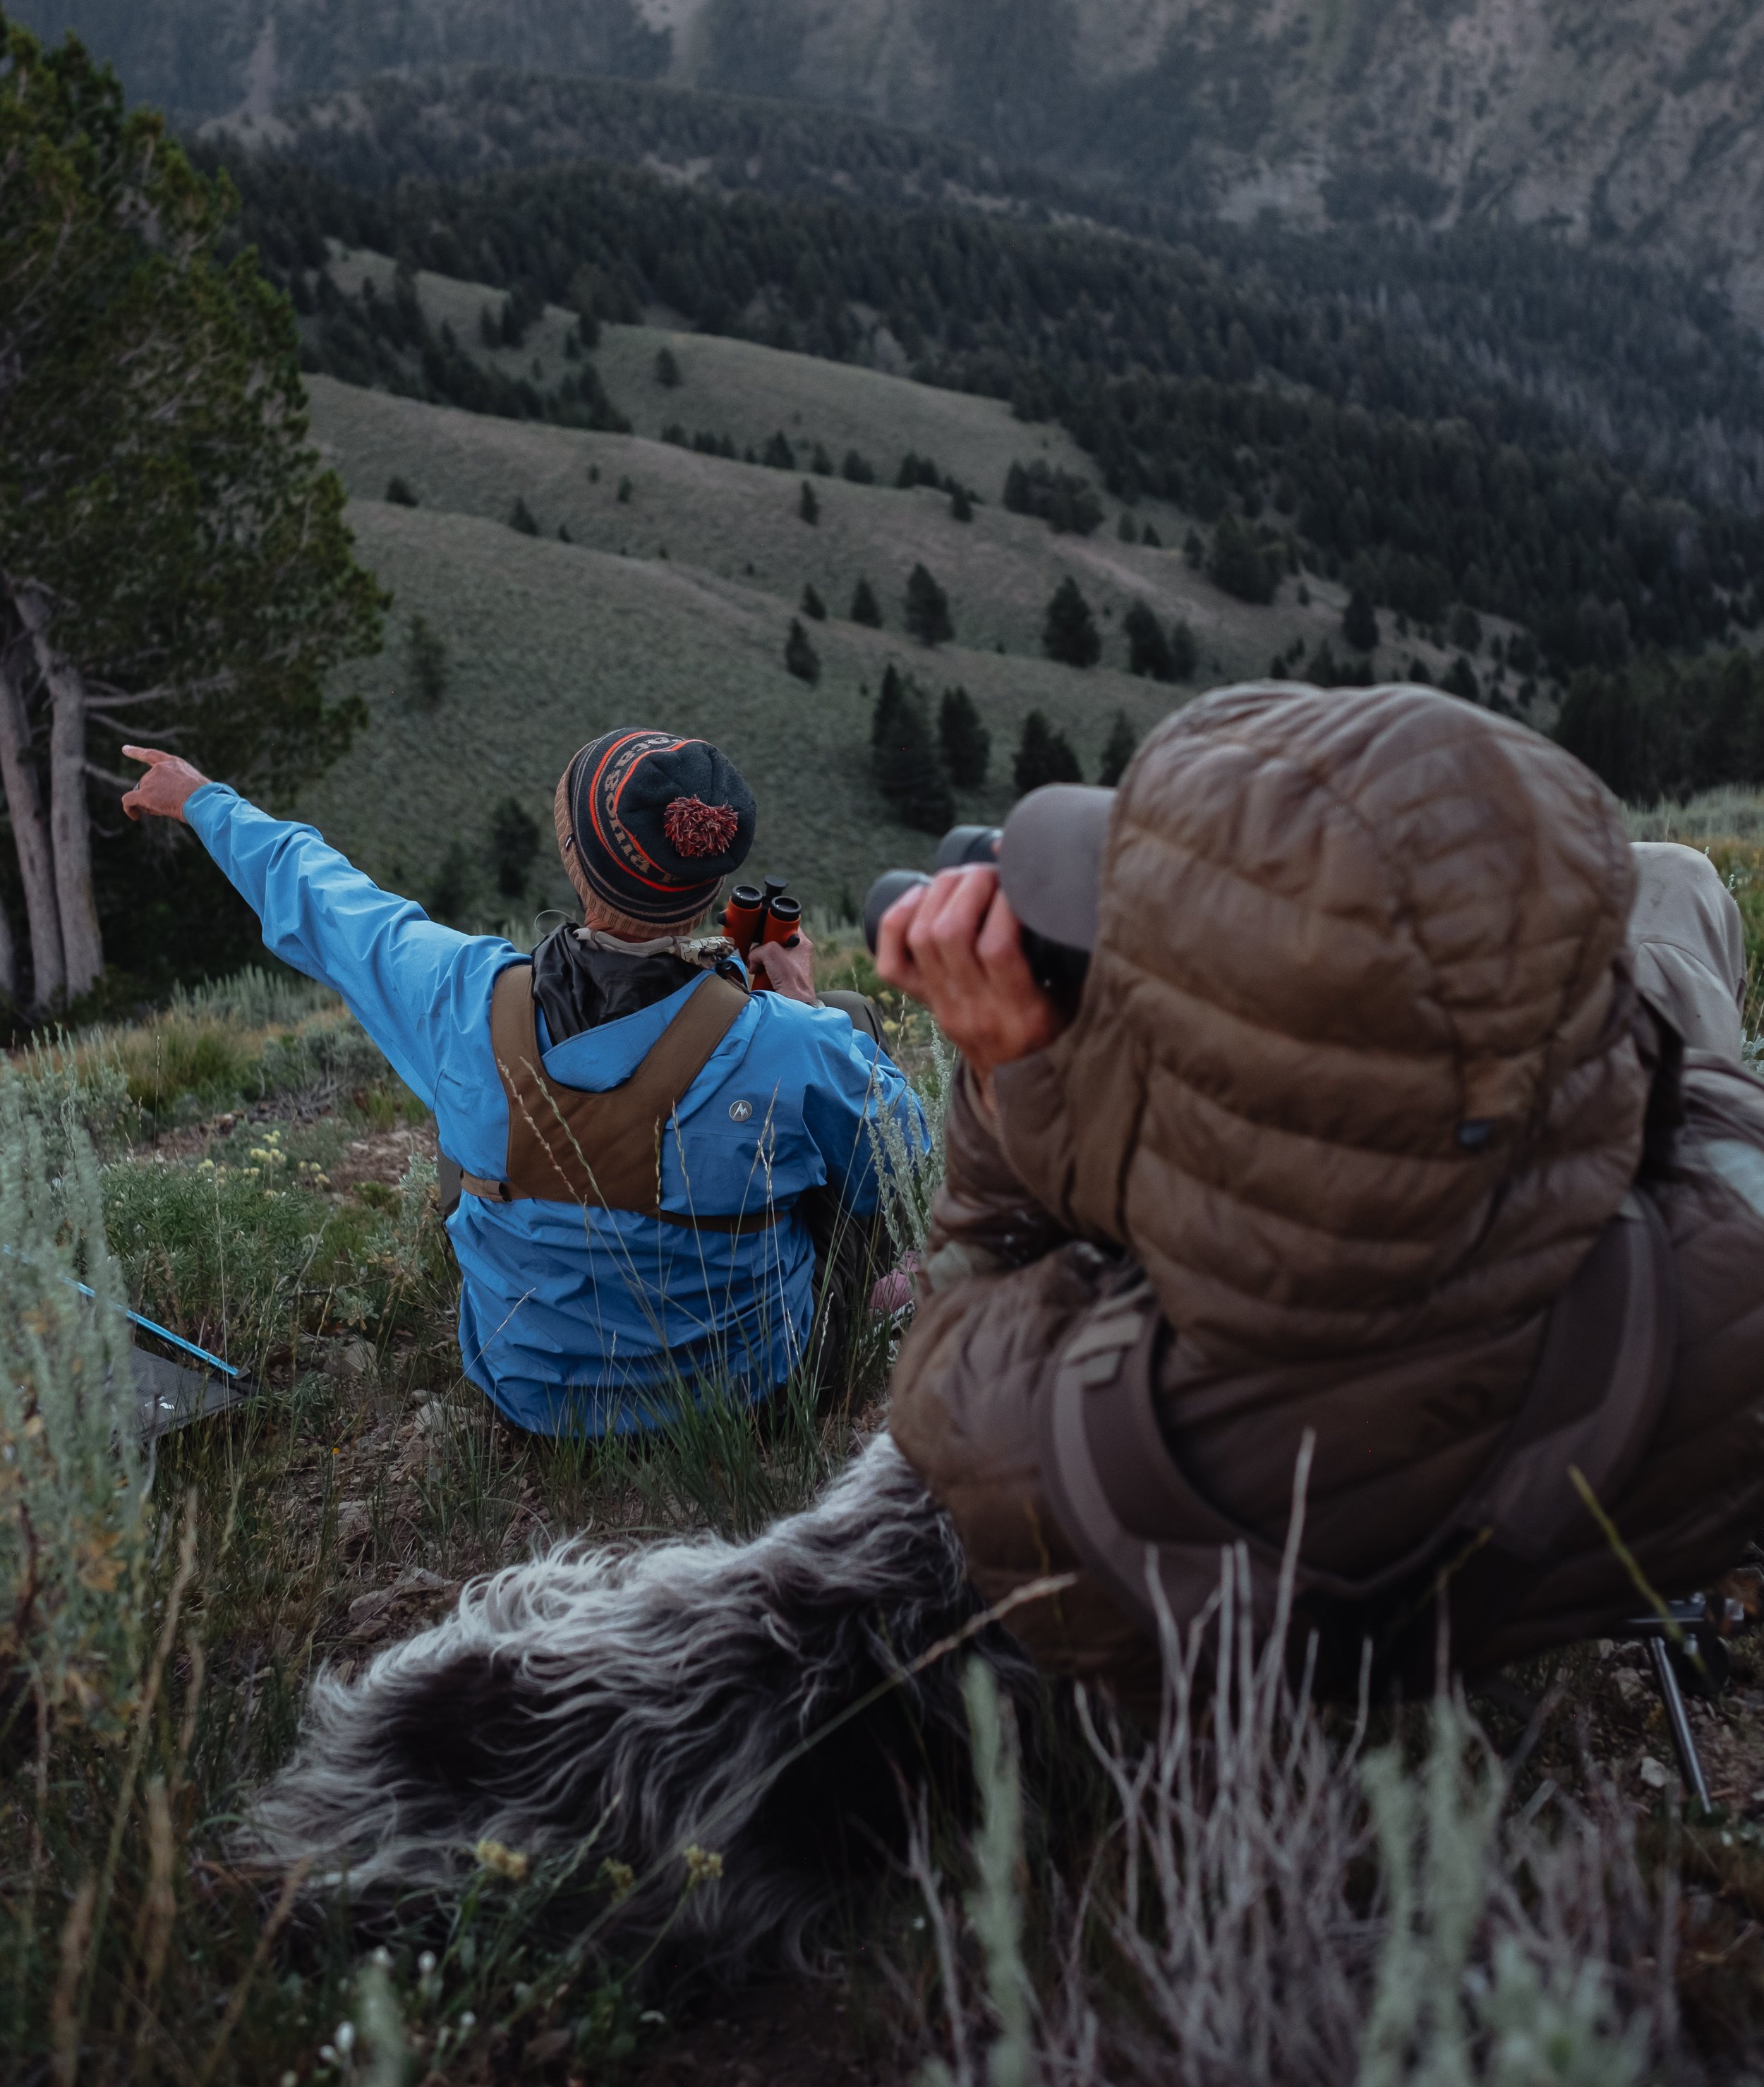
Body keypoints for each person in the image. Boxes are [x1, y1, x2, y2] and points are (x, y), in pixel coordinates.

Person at [875, 681, 1764, 1705]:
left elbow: (956, 1327)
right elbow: (1610, 1065)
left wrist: (1011, 1087)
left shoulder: (1115, 1443)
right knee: (1675, 880)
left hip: (1385, 1523)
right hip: (1628, 1384)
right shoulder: (1723, 1169)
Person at [121, 725, 923, 1435]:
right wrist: (804, 1005)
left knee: (466, 1118)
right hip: (743, 1400)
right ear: (711, 893)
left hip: (530, 1399)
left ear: (576, 862)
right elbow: (907, 1164)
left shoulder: (460, 992)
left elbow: (322, 897)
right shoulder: (791, 1042)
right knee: (850, 1034)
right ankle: (869, 1307)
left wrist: (201, 800)